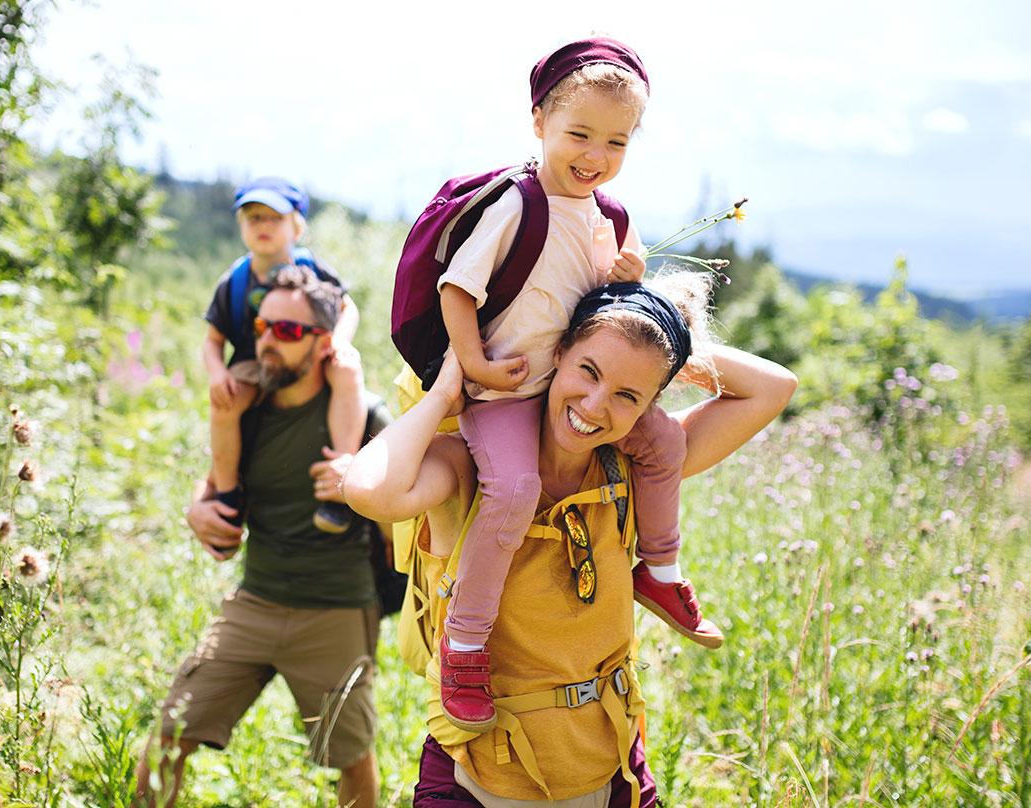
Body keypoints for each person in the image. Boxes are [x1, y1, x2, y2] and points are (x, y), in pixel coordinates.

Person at [344, 277, 797, 806]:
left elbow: (775, 387)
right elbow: (369, 490)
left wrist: (656, 333)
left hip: (612, 771)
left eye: (628, 395)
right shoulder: (468, 466)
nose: (596, 405)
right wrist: (448, 392)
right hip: (476, 776)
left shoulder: (635, 469)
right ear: (556, 353)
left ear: (650, 404)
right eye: (589, 370)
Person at [431, 36, 719, 734]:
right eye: (579, 134)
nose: (596, 155)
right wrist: (471, 364)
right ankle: (464, 643)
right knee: (515, 489)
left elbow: (602, 307)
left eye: (616, 142)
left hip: (567, 383)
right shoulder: (516, 203)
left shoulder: (607, 217)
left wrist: (624, 276)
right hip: (505, 391)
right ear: (539, 122)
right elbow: (457, 288)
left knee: (660, 445)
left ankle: (659, 566)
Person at [135, 267, 389, 808]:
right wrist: (195, 512)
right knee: (167, 736)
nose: (268, 340)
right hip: (255, 602)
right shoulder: (248, 409)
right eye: (262, 326)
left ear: (324, 344)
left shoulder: (364, 417)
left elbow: (406, 513)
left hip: (336, 609)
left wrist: (363, 492)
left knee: (352, 755)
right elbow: (211, 487)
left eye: (288, 331)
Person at [203, 176, 365, 534]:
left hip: (309, 354)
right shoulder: (233, 281)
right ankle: (228, 494)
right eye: (253, 218)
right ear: (241, 225)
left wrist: (339, 340)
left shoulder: (314, 269)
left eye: (274, 218)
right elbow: (213, 340)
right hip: (252, 361)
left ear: (297, 225)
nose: (263, 226)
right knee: (224, 405)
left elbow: (347, 307)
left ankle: (338, 476)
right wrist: (218, 373)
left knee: (348, 371)